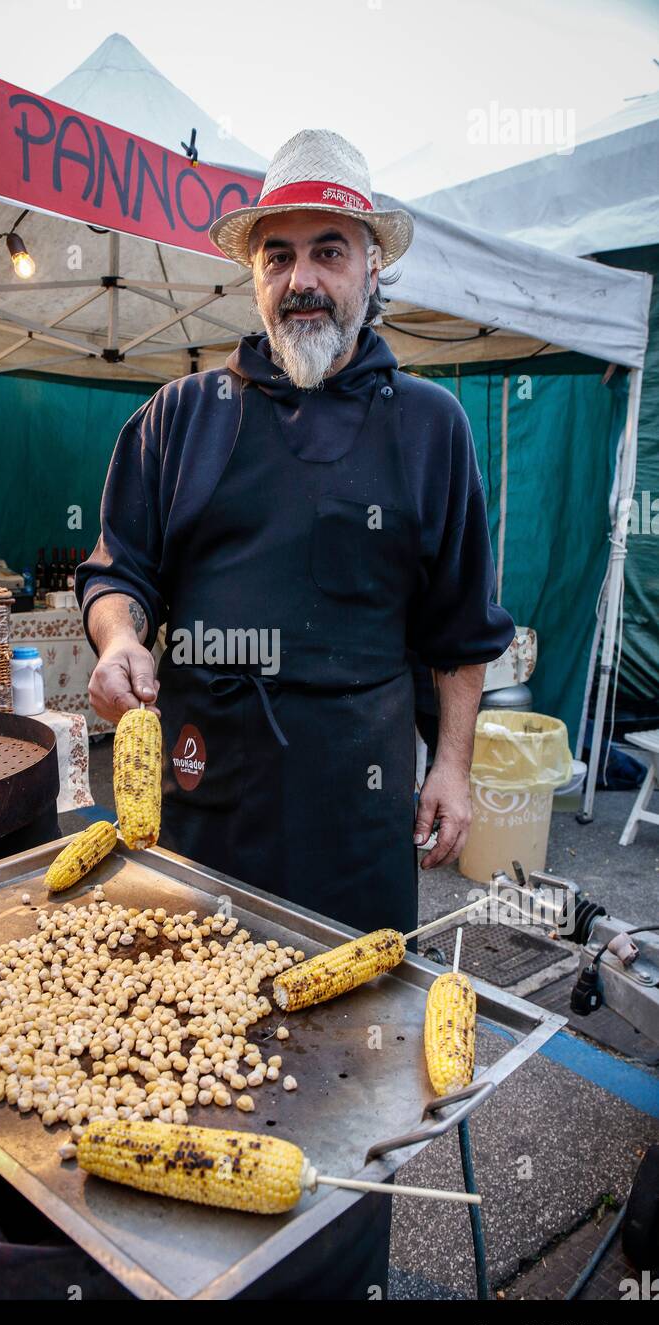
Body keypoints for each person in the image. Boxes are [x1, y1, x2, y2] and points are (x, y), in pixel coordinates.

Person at [78, 128, 514, 936]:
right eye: (278, 257)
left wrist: (452, 765)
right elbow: (117, 573)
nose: (301, 279)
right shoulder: (182, 415)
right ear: (253, 277)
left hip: (358, 807)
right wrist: (116, 642)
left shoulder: (431, 426)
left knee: (351, 1033)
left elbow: (461, 632)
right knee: (193, 1031)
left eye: (328, 253)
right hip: (202, 793)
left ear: (372, 266)